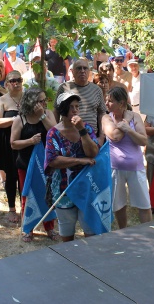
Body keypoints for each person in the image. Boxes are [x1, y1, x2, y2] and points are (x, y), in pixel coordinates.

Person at [44, 92, 99, 242]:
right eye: (71, 107)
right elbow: (52, 160)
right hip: (63, 190)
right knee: (67, 232)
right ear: (63, 110)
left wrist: (82, 131)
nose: (75, 110)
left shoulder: (86, 128)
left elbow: (93, 152)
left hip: (86, 188)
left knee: (91, 231)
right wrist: (80, 161)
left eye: (77, 106)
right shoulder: (53, 133)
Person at [10, 87, 57, 241]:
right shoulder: (20, 119)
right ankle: (28, 228)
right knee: (27, 195)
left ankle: (50, 227)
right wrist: (30, 141)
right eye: (41, 101)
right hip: (26, 164)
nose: (44, 103)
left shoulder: (47, 114)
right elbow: (13, 143)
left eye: (45, 100)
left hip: (46, 164)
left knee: (48, 195)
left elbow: (55, 133)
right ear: (32, 102)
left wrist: (42, 116)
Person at [101, 87, 150, 229]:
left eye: (110, 101)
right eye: (106, 100)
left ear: (121, 103)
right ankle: (124, 231)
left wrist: (127, 127)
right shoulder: (106, 117)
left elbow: (144, 140)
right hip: (115, 168)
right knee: (118, 204)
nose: (107, 104)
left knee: (144, 204)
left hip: (136, 167)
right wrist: (126, 124)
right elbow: (114, 136)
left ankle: (148, 233)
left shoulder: (135, 117)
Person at [0, 71, 24, 223]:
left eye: (18, 80)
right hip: (7, 142)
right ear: (6, 83)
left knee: (24, 175)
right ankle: (12, 209)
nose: (16, 83)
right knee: (11, 176)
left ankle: (26, 208)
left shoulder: (27, 98)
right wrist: (15, 119)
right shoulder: (2, 100)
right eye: (12, 80)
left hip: (25, 141)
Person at [55, 58, 106, 136]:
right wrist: (55, 132)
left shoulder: (97, 90)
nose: (82, 71)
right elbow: (56, 111)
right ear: (72, 72)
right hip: (68, 136)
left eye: (85, 68)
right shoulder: (64, 87)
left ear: (89, 71)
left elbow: (102, 114)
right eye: (79, 68)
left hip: (91, 136)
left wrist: (102, 137)